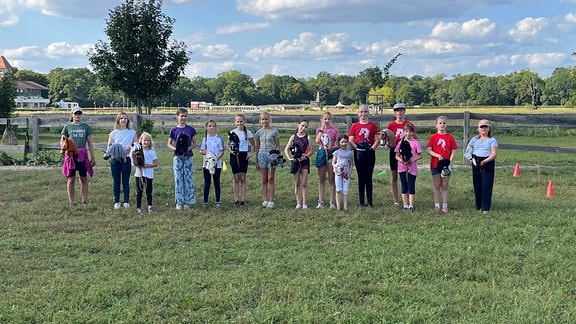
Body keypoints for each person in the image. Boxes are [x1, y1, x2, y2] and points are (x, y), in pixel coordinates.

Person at [60, 107, 95, 206]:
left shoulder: (86, 127)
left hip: (82, 154)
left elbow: (90, 143)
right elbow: (62, 140)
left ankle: (84, 201)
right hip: (71, 154)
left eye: (79, 113)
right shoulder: (67, 127)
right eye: (76, 113)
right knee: (71, 178)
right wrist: (62, 150)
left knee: (83, 178)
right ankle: (72, 202)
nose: (78, 115)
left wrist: (92, 157)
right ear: (72, 115)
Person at [348, 104, 379, 207]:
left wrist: (371, 149)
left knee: (368, 177)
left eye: (365, 112)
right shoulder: (355, 126)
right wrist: (356, 148)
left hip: (369, 152)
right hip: (359, 153)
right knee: (361, 177)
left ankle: (370, 201)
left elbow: (377, 139)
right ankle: (361, 201)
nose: (363, 114)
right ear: (358, 113)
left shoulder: (372, 125)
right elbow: (351, 139)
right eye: (361, 112)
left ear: (368, 113)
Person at [106, 112, 139, 209]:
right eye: (121, 118)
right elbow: (109, 146)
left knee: (126, 180)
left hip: (126, 158)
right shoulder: (113, 133)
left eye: (125, 118)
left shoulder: (132, 132)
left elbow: (136, 144)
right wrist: (117, 148)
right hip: (115, 159)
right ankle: (117, 201)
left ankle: (126, 201)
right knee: (116, 180)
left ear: (128, 120)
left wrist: (130, 147)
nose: (123, 120)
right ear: (118, 120)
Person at [167, 108, 197, 210]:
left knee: (188, 178)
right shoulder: (174, 130)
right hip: (177, 156)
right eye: (181, 116)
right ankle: (179, 201)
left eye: (185, 116)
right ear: (177, 117)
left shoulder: (190, 129)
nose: (183, 118)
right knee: (178, 178)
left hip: (188, 156)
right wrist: (176, 149)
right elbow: (169, 143)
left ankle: (188, 200)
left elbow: (194, 144)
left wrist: (187, 148)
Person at [427, 116, 458, 213]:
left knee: (444, 185)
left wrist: (450, 162)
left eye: (444, 123)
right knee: (437, 185)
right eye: (440, 123)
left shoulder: (449, 137)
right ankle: (437, 205)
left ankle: (445, 205)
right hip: (435, 164)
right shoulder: (433, 137)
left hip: (446, 165)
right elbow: (429, 150)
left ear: (446, 125)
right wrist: (437, 155)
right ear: (436, 125)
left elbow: (453, 150)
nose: (442, 125)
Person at [467, 119, 498, 214]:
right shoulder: (474, 139)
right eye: (481, 127)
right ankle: (478, 205)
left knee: (486, 184)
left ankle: (485, 207)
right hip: (476, 161)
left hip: (487, 161)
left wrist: (484, 162)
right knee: (477, 184)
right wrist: (471, 159)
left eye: (485, 126)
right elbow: (468, 151)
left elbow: (494, 154)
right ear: (478, 129)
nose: (483, 128)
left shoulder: (492, 140)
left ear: (489, 128)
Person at [387, 103, 413, 207]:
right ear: (395, 112)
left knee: (406, 175)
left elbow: (414, 138)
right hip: (394, 151)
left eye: (401, 110)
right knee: (394, 176)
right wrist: (388, 143)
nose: (399, 113)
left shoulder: (408, 124)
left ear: (404, 111)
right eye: (397, 111)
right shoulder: (391, 125)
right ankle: (396, 200)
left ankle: (406, 199)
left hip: (406, 152)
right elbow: (388, 140)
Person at [285, 119, 314, 209]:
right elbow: (286, 149)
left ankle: (304, 203)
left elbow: (311, 151)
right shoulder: (293, 137)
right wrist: (289, 158)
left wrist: (305, 156)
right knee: (297, 183)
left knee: (304, 183)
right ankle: (298, 202)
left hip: (304, 161)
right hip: (295, 161)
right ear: (298, 125)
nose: (303, 128)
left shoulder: (308, 138)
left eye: (306, 127)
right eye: (302, 126)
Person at [228, 114, 256, 207]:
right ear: (235, 122)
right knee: (236, 178)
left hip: (243, 155)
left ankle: (243, 199)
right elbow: (228, 144)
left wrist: (250, 153)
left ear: (244, 122)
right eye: (238, 121)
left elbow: (253, 144)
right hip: (234, 155)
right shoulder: (232, 132)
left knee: (243, 178)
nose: (239, 123)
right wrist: (231, 151)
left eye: (241, 121)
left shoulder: (248, 133)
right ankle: (236, 199)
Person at [254, 112, 281, 208]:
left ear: (269, 120)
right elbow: (257, 146)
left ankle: (271, 200)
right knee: (264, 178)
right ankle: (265, 199)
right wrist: (256, 159)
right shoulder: (258, 132)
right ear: (260, 121)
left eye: (266, 119)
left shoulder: (274, 131)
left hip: (271, 155)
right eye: (262, 119)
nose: (264, 121)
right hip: (262, 155)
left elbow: (278, 145)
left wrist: (276, 155)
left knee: (270, 178)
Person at [315, 111, 339, 209]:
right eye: (325, 119)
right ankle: (320, 201)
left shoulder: (335, 130)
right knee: (322, 178)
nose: (327, 121)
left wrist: (331, 149)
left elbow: (337, 144)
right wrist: (321, 129)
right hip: (322, 153)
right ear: (322, 120)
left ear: (331, 120)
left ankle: (332, 201)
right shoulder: (319, 130)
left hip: (331, 153)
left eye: (329, 119)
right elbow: (317, 141)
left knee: (331, 178)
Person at [395, 123, 422, 211]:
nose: (408, 133)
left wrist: (412, 160)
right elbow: (397, 155)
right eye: (406, 131)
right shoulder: (400, 143)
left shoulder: (415, 143)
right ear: (403, 132)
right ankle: (405, 205)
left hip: (412, 168)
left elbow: (420, 155)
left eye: (410, 131)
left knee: (411, 186)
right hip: (402, 167)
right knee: (404, 186)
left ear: (413, 132)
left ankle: (411, 205)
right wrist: (401, 160)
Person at [200, 120, 225, 207]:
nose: (211, 128)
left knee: (216, 182)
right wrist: (206, 154)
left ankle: (218, 200)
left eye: (213, 126)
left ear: (216, 128)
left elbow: (222, 151)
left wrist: (215, 159)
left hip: (216, 164)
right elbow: (201, 151)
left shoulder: (219, 139)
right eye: (210, 126)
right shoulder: (205, 139)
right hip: (206, 164)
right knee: (207, 182)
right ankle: (205, 201)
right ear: (206, 128)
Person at [134, 132, 158, 214]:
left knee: (149, 190)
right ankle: (138, 207)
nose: (146, 142)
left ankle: (150, 206)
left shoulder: (152, 152)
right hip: (139, 174)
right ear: (141, 140)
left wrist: (148, 165)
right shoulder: (137, 151)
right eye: (144, 140)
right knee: (139, 190)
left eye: (148, 141)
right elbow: (133, 161)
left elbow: (156, 163)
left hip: (149, 174)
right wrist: (138, 164)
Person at [332, 135, 354, 210]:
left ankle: (345, 206)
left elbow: (351, 164)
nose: (344, 144)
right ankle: (338, 206)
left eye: (345, 142)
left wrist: (349, 173)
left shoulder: (349, 153)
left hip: (346, 174)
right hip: (338, 174)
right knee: (338, 189)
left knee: (345, 190)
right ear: (339, 143)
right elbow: (333, 162)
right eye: (342, 142)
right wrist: (335, 168)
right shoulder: (336, 153)